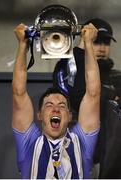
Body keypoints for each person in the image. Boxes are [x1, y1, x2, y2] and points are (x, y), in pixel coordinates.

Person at [12, 22, 100, 179]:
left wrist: (88, 43)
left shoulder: (82, 141)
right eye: (49, 105)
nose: (55, 109)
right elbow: (19, 93)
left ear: (70, 115)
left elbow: (93, 94)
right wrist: (22, 44)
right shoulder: (29, 143)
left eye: (62, 106)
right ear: (39, 115)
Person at [53, 18, 121, 178]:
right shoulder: (71, 72)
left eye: (106, 43)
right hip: (73, 156)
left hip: (109, 160)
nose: (102, 48)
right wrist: (83, 45)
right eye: (96, 42)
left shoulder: (117, 77)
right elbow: (74, 95)